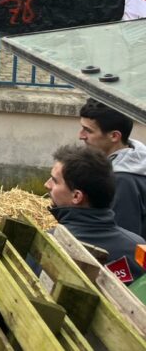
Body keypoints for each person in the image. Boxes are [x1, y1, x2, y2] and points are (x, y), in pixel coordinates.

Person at [45, 144, 145, 285]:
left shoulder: (50, 243)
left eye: (55, 181)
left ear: (77, 196)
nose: (47, 185)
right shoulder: (138, 248)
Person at [78, 99, 146, 237]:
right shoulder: (124, 163)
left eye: (88, 130)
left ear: (114, 136)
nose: (80, 136)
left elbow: (122, 240)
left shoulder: (123, 180)